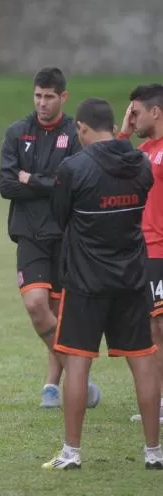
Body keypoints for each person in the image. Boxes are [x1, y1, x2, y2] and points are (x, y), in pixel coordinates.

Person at [44, 97, 161, 470]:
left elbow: (59, 216)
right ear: (114, 124)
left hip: (85, 281)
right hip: (130, 278)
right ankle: (153, 452)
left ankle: (72, 453)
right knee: (142, 362)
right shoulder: (140, 163)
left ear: (81, 128)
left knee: (78, 365)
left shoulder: (73, 168)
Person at [0, 66, 100, 409]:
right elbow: (6, 185)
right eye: (38, 96)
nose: (42, 103)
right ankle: (77, 376)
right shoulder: (17, 132)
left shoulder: (75, 133)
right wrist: (44, 181)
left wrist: (32, 179)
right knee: (36, 304)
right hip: (29, 233)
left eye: (49, 97)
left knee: (60, 312)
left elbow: (70, 186)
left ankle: (52, 387)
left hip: (66, 233)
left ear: (63, 97)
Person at [118, 84, 163, 424]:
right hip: (142, 251)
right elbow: (111, 171)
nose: (132, 117)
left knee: (158, 326)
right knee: (151, 328)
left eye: (136, 111)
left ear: (155, 112)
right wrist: (123, 132)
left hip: (160, 251)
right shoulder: (142, 151)